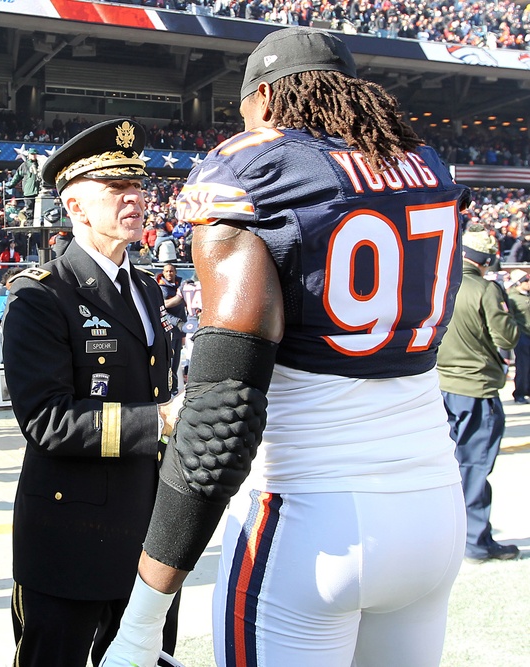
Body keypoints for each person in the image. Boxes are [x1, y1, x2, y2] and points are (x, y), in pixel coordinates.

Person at [102, 27, 471, 667]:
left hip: (311, 516)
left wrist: (141, 621)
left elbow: (223, 416)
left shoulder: (255, 169)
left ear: (267, 99)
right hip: (435, 511)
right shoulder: (426, 165)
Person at [2, 118, 182, 667]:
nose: (136, 199)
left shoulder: (147, 288)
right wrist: (160, 421)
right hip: (69, 541)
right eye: (117, 190)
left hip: (148, 537)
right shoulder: (40, 296)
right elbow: (48, 421)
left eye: (139, 187)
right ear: (76, 208)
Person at [438, 224, 522, 563]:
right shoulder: (486, 290)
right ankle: (474, 539)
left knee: (449, 465)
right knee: (474, 466)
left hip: (441, 387)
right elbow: (508, 338)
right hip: (476, 387)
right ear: (485, 260)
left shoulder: (441, 282)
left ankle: (450, 535)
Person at [156, 262, 186, 396]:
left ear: (175, 272)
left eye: (171, 271)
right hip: (169, 330)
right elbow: (162, 311)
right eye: (166, 271)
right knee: (170, 361)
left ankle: (174, 389)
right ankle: (168, 391)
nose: (169, 274)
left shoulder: (181, 286)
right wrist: (177, 322)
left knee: (176, 362)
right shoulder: (161, 289)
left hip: (179, 331)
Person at [505, 269, 530, 404]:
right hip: (522, 335)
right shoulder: (512, 298)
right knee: (523, 365)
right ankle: (519, 392)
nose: (528, 283)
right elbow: (509, 317)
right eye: (525, 281)